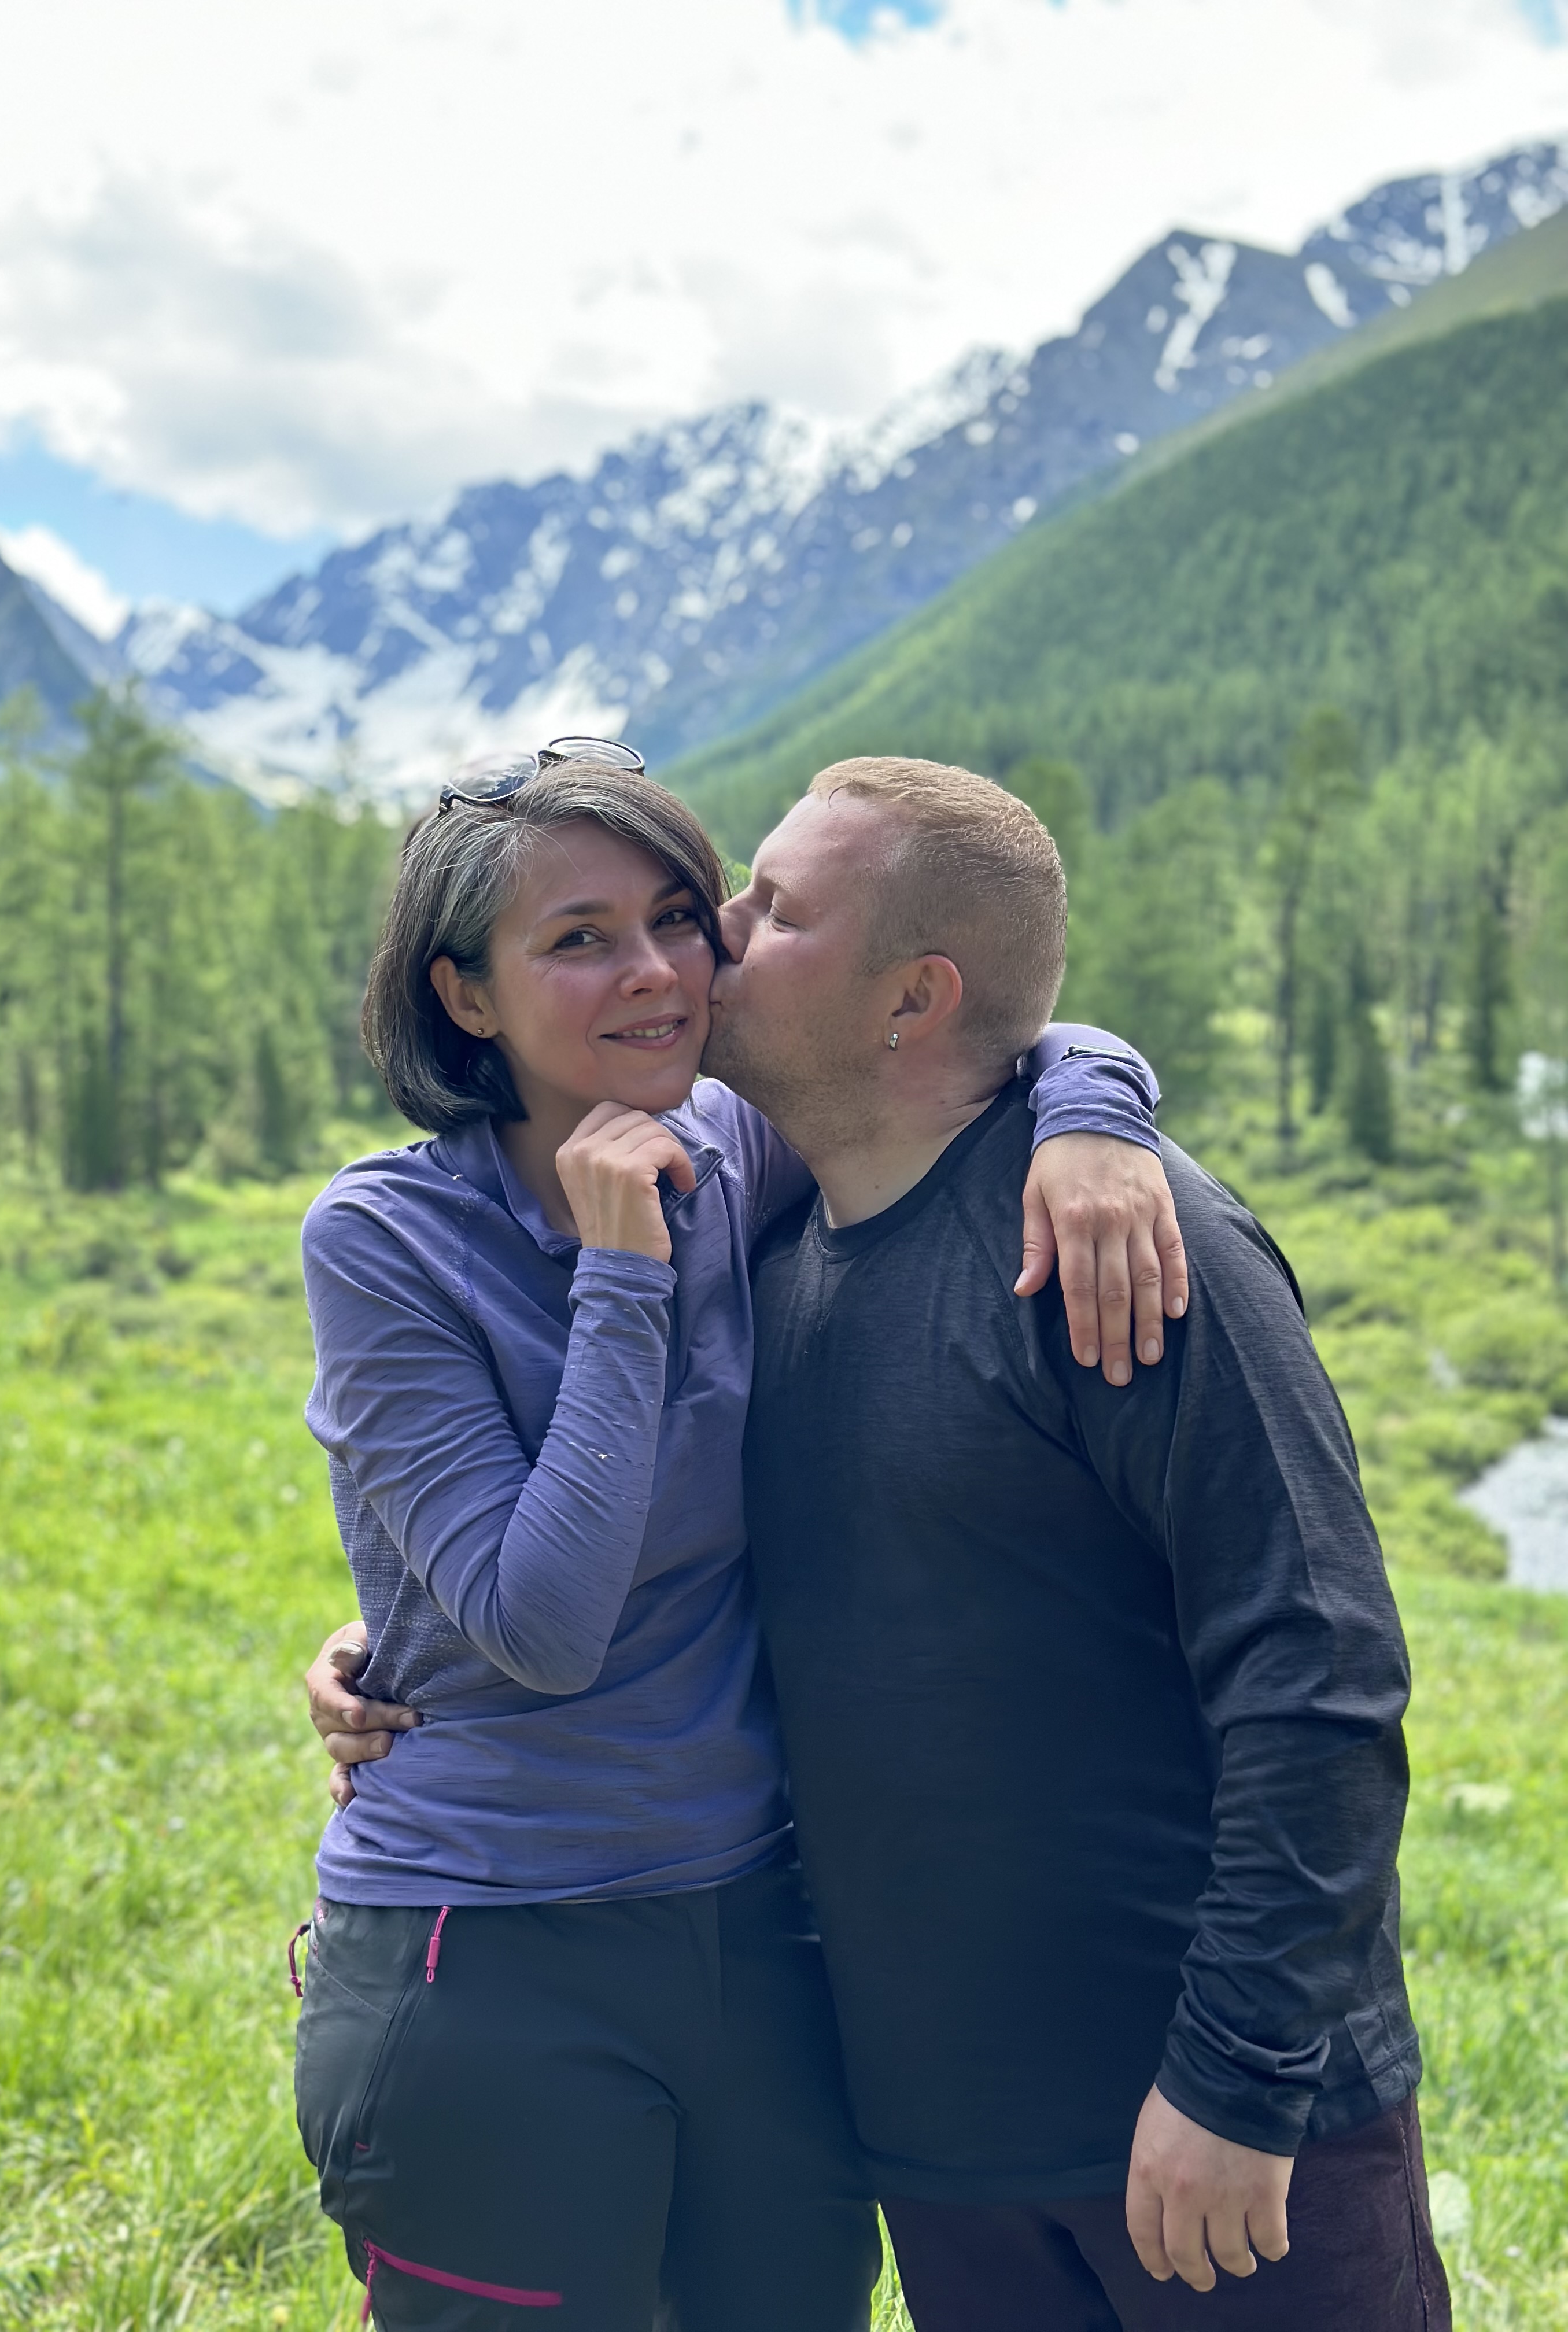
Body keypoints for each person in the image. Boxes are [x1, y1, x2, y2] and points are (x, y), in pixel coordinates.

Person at [316, 752, 1451, 2332]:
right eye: (589, 935)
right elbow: (577, 1591)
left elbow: (1318, 1676)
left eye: (740, 912)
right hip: (810, 2084)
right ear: (465, 994)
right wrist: (399, 1637)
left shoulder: (1045, 1231)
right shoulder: (615, 1231)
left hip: (1095, 2080)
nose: (697, 949)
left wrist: (1096, 1108)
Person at [709, 758, 1449, 2330]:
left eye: (777, 909)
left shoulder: (1129, 1249)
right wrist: (401, 1662)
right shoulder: (762, 1260)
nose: (720, 926)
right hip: (944, 2155)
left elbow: (1318, 1672)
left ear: (915, 998)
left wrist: (1238, 2078)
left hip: (1223, 2142)